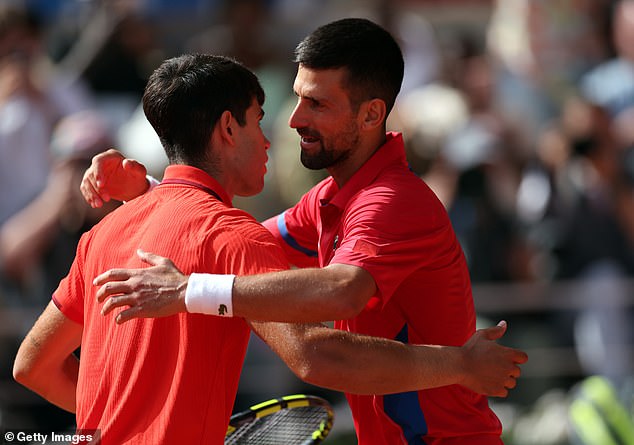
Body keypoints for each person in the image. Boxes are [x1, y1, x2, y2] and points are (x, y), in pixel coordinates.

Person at [14, 53, 526, 445]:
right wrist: (459, 364)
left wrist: (114, 427)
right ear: (227, 128)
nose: (269, 140)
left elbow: (33, 366)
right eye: (259, 121)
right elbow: (318, 356)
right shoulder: (236, 238)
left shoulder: (103, 234)